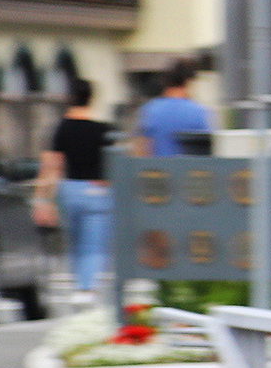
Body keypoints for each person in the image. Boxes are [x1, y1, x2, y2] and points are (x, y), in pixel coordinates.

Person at [35, 79, 116, 307]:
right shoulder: (103, 130)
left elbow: (51, 166)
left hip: (69, 189)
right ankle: (86, 287)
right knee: (94, 242)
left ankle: (78, 283)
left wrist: (43, 199)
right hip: (97, 189)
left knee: (75, 240)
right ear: (91, 99)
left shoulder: (61, 128)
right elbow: (113, 165)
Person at [131, 70, 211, 158]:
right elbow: (207, 148)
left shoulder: (150, 110)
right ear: (187, 83)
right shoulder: (198, 111)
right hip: (188, 169)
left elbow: (140, 149)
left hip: (157, 169)